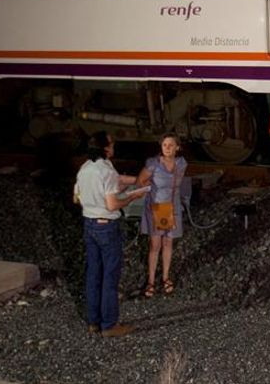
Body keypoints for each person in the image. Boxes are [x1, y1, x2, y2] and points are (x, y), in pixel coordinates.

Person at [73, 131, 147, 337]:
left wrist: (135, 181)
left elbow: (76, 198)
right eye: (111, 143)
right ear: (105, 148)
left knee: (93, 274)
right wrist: (133, 196)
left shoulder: (85, 168)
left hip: (89, 225)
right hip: (107, 227)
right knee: (110, 276)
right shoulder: (107, 171)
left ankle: (93, 322)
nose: (114, 146)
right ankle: (110, 325)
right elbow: (113, 203)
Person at [137, 133, 187, 298]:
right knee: (155, 245)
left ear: (177, 147)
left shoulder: (181, 163)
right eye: (164, 145)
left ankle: (165, 277)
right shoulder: (154, 164)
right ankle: (151, 280)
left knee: (168, 243)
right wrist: (152, 190)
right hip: (159, 207)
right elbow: (141, 181)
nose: (167, 148)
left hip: (173, 207)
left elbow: (178, 182)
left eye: (170, 145)